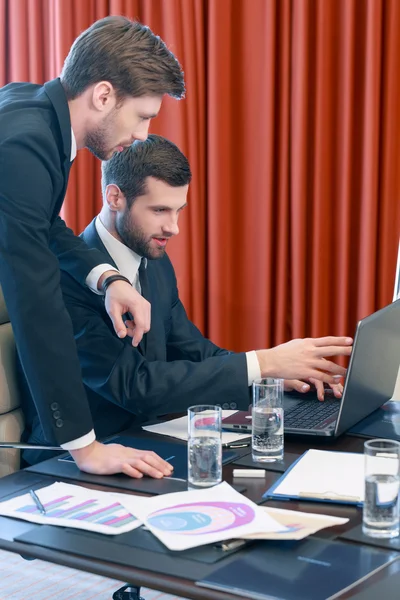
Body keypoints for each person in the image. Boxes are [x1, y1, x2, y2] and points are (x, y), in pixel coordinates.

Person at [22, 135, 353, 467]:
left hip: (145, 440)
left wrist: (274, 379)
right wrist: (262, 362)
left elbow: (198, 353)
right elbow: (135, 387)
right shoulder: (67, 278)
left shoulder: (155, 260)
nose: (174, 227)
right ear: (115, 198)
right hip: (74, 457)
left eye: (179, 210)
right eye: (160, 210)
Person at [0, 16, 186, 479]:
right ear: (103, 95)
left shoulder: (32, 109)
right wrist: (85, 448)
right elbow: (37, 306)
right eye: (142, 115)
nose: (143, 134)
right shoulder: (26, 147)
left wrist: (108, 278)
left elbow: (42, 223)